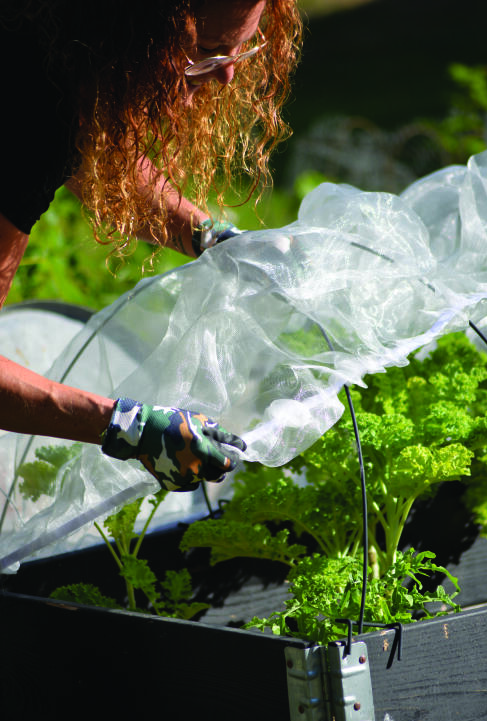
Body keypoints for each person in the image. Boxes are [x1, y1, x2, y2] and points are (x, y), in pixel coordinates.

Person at [0, 0, 302, 491]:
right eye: (207, 51)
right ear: (135, 28)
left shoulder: (64, 52)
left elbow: (94, 156)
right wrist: (130, 428)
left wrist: (214, 239)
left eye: (239, 51)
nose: (227, 75)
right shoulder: (22, 107)